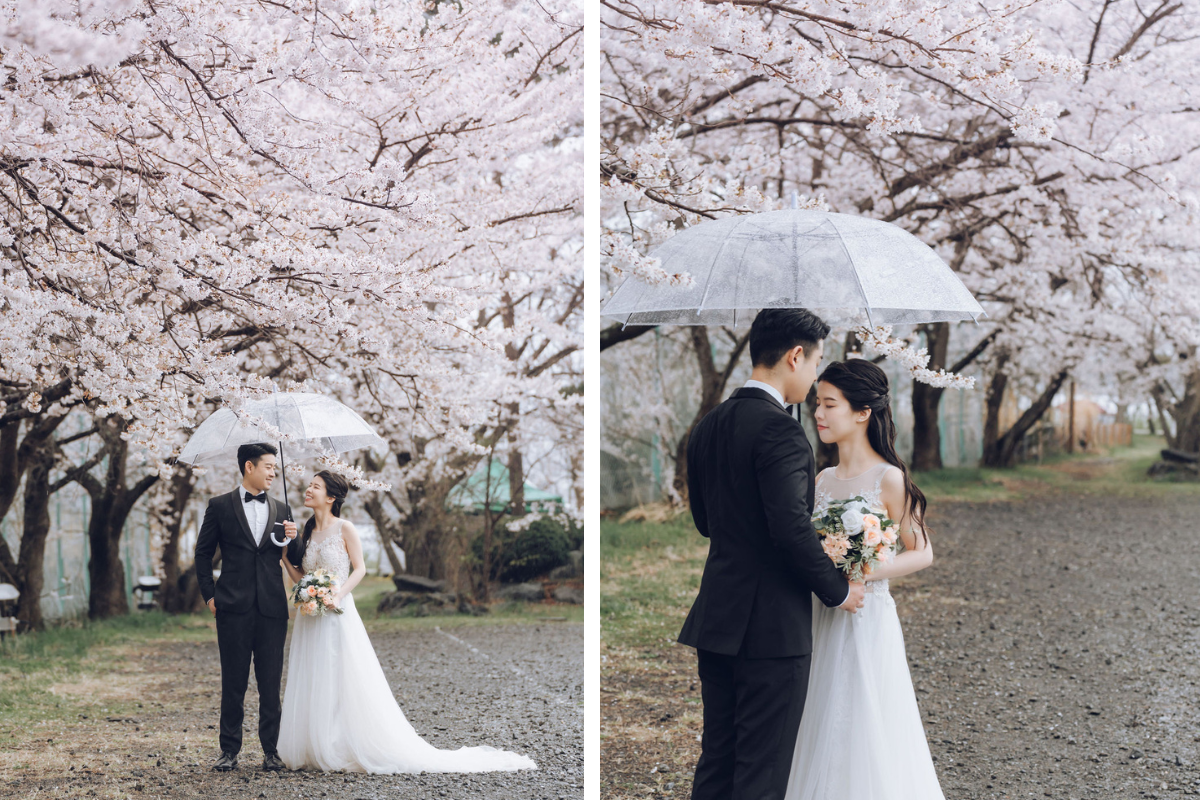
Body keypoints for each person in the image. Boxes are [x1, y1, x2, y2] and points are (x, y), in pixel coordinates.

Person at [679, 308, 866, 800]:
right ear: (795, 355)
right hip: (771, 631)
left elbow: (704, 522)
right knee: (763, 771)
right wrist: (837, 589)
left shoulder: (708, 425)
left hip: (717, 617)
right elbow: (788, 528)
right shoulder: (781, 431)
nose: (814, 376)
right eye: (817, 360)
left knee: (718, 758)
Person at [277, 470, 537, 774]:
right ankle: (314, 744)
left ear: (331, 497)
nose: (308, 490)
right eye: (309, 485)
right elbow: (301, 580)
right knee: (313, 677)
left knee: (340, 677)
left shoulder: (345, 528)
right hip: (311, 619)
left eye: (315, 486)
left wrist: (338, 593)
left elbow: (359, 569)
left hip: (338, 614)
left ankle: (340, 744)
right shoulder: (307, 531)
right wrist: (284, 555)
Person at [784, 357, 944, 799]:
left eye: (830, 404)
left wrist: (866, 569)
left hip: (866, 618)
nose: (818, 413)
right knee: (817, 714)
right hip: (821, 612)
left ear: (862, 412)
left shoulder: (889, 479)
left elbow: (923, 552)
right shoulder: (821, 479)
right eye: (817, 402)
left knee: (862, 717)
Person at [194, 442, 299, 772]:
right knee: (233, 683)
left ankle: (272, 751)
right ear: (249, 467)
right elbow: (202, 553)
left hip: (272, 608)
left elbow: (292, 559)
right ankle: (229, 751)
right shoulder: (219, 506)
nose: (273, 473)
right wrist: (210, 596)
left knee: (270, 684)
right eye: (268, 466)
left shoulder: (283, 510)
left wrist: (294, 538)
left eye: (275, 468)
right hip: (231, 608)